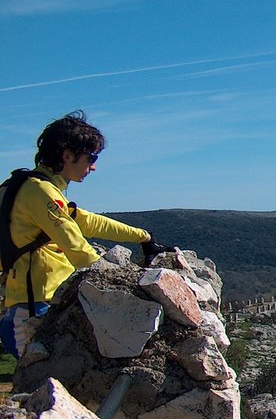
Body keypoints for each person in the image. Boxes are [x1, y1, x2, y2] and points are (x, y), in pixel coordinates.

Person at [0, 111, 171, 359]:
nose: (93, 166)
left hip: (36, 304)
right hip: (32, 311)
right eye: (90, 157)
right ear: (67, 155)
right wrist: (118, 285)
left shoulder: (37, 188)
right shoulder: (40, 191)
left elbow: (89, 222)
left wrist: (144, 237)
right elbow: (78, 247)